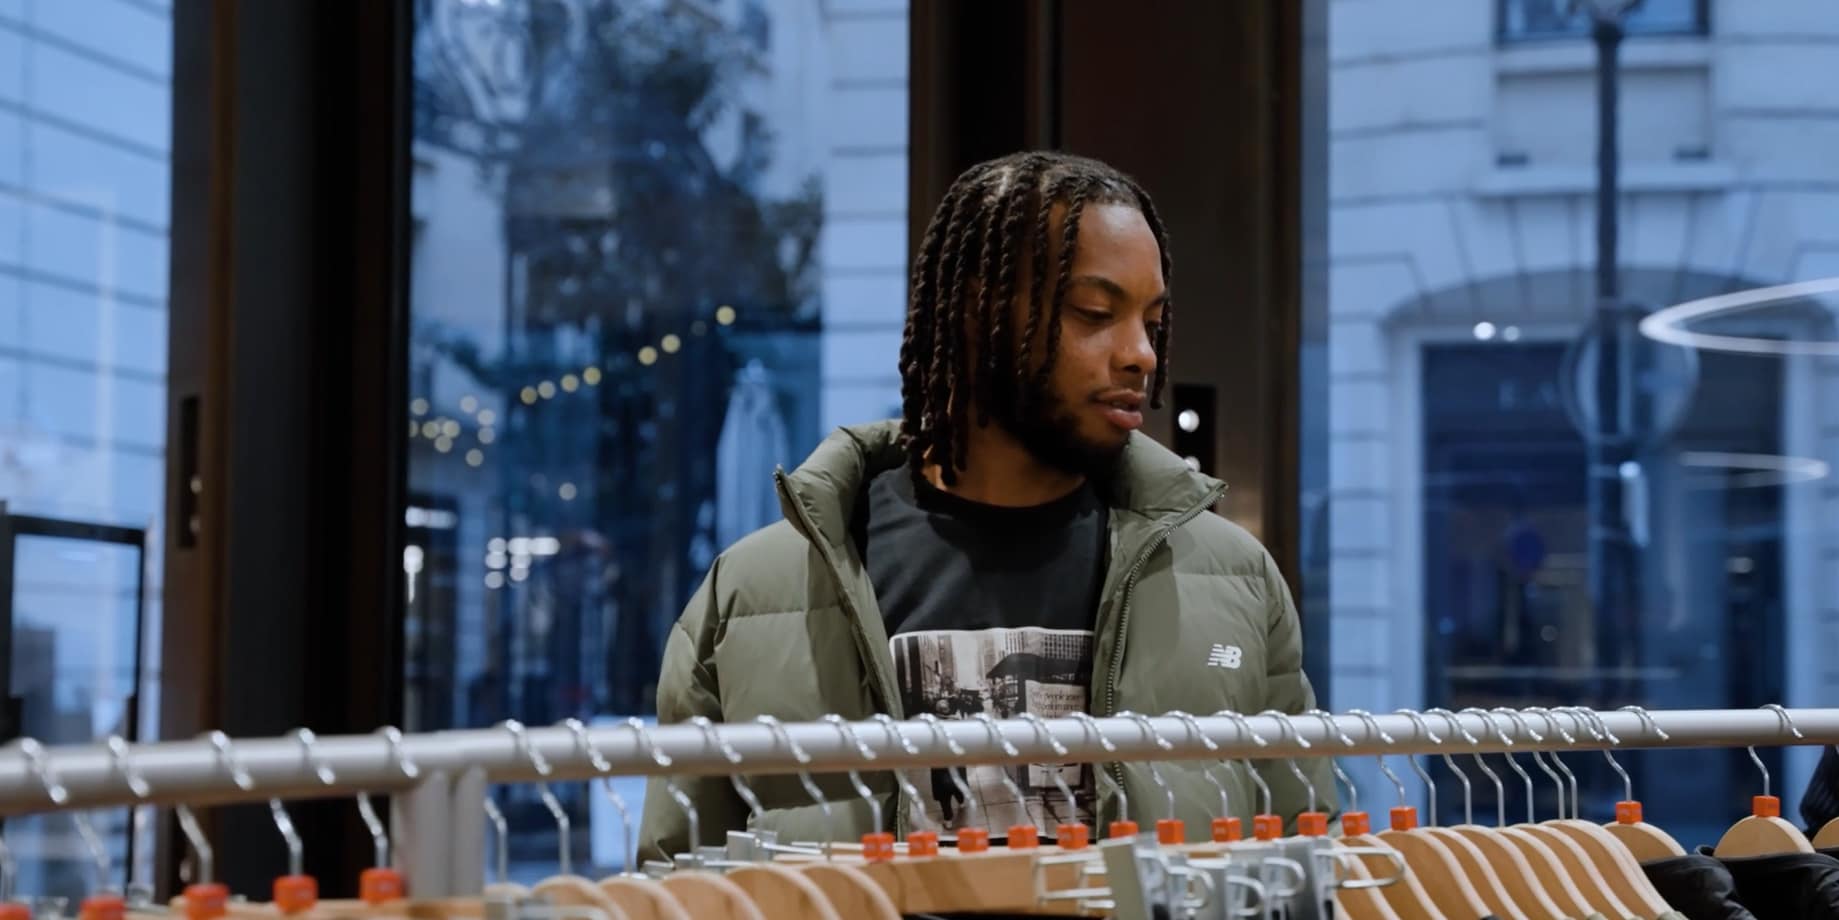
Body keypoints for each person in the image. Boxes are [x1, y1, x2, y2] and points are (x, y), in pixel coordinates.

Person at [638, 150, 1335, 863]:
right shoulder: (756, 591)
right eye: (1094, 313)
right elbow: (677, 878)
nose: (1141, 354)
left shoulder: (1235, 579)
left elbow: (1305, 855)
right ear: (978, 314)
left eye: (1151, 322)